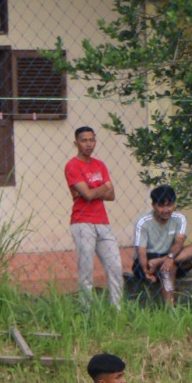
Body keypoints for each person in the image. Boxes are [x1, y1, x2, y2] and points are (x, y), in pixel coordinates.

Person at [65, 126, 121, 307]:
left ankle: (117, 309)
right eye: (84, 140)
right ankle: (85, 311)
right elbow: (89, 195)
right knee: (86, 271)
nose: (88, 144)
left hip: (103, 222)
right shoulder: (72, 166)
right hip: (82, 222)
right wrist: (102, 188)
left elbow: (111, 195)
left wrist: (92, 190)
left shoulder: (100, 165)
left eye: (91, 140)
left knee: (115, 267)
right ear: (76, 143)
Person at [135, 184, 192, 307]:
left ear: (174, 204)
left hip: (172, 256)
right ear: (153, 205)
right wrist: (145, 270)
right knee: (168, 268)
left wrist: (168, 258)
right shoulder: (143, 222)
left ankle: (164, 261)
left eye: (169, 205)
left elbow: (179, 243)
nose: (166, 210)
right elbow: (141, 251)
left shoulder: (179, 218)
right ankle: (170, 307)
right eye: (161, 205)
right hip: (150, 259)